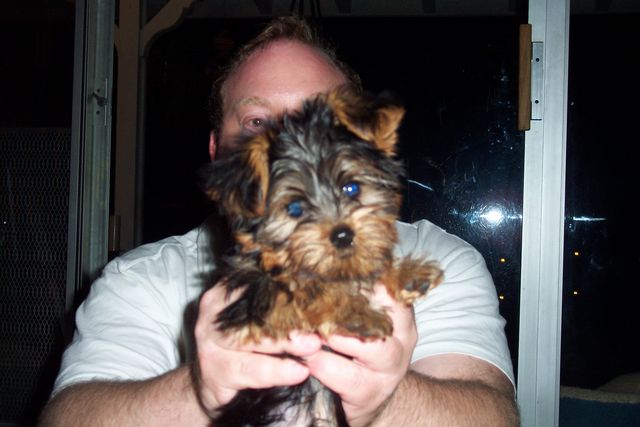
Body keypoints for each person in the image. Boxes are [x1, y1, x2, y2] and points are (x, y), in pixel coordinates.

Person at [40, 16, 519, 426]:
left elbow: (494, 416)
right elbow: (66, 417)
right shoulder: (138, 280)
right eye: (257, 123)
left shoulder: (441, 262)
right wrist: (199, 392)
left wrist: (386, 402)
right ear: (217, 152)